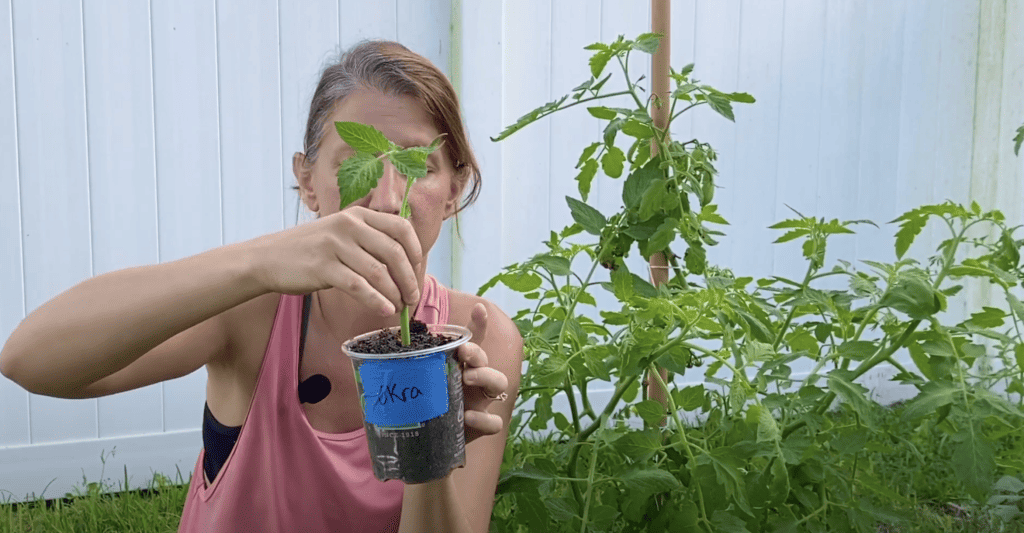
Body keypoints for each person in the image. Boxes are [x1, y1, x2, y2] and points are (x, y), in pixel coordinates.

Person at [0, 40, 523, 533]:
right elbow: (31, 359)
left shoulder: (475, 338)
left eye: (418, 167)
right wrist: (261, 261)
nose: (387, 201)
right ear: (307, 182)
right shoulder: (255, 309)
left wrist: (429, 444)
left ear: (454, 191)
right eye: (355, 164)